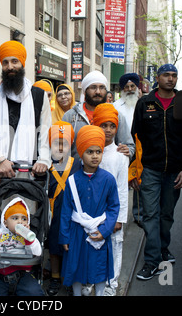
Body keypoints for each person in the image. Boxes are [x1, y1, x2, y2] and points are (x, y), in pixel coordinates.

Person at [131, 64, 182, 280]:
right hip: (150, 169)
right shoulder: (145, 103)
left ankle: (162, 248)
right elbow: (136, 138)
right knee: (151, 215)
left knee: (166, 214)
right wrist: (135, 171)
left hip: (175, 172)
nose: (171, 79)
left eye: (174, 75)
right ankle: (151, 261)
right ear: (157, 78)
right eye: (166, 75)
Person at [0, 40, 51, 231]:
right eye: (5, 62)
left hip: (30, 173)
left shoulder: (39, 96)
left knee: (26, 222)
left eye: (14, 61)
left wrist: (43, 159)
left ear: (22, 63)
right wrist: (0, 160)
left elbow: (45, 132)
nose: (10, 66)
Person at [59, 125, 120, 296]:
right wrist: (65, 236)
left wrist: (105, 230)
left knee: (99, 268)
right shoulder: (72, 181)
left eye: (98, 152)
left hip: (99, 231)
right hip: (77, 232)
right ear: (81, 153)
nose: (94, 156)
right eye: (90, 151)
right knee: (76, 266)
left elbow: (114, 207)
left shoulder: (108, 180)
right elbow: (66, 210)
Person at [92, 104, 129, 296]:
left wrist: (119, 218)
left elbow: (123, 189)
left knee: (114, 247)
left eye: (111, 126)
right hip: (92, 213)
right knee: (92, 245)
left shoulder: (120, 156)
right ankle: (90, 280)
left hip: (113, 213)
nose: (107, 130)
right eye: (103, 125)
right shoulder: (88, 152)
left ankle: (111, 285)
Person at [0, 197, 45, 296]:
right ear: (5, 223)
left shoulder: (29, 236)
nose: (20, 222)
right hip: (1, 275)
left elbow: (38, 252)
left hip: (24, 274)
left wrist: (29, 239)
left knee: (34, 292)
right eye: (15, 218)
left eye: (24, 219)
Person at [62, 70, 135, 160]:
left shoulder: (116, 115)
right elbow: (60, 149)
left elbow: (129, 146)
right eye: (93, 87)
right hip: (77, 171)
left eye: (102, 87)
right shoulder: (70, 116)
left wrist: (127, 150)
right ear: (85, 91)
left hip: (109, 171)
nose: (98, 92)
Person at [46, 121, 81, 296]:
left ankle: (68, 277)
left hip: (71, 211)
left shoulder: (77, 164)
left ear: (71, 144)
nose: (60, 148)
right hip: (53, 211)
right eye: (56, 144)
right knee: (53, 245)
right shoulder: (45, 165)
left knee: (70, 245)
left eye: (64, 143)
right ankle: (54, 277)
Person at [113, 72, 143, 226]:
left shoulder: (143, 103)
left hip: (140, 148)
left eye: (133, 86)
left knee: (139, 181)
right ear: (122, 89)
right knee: (123, 184)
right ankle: (118, 215)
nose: (130, 89)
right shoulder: (115, 107)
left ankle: (138, 214)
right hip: (123, 148)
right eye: (127, 87)